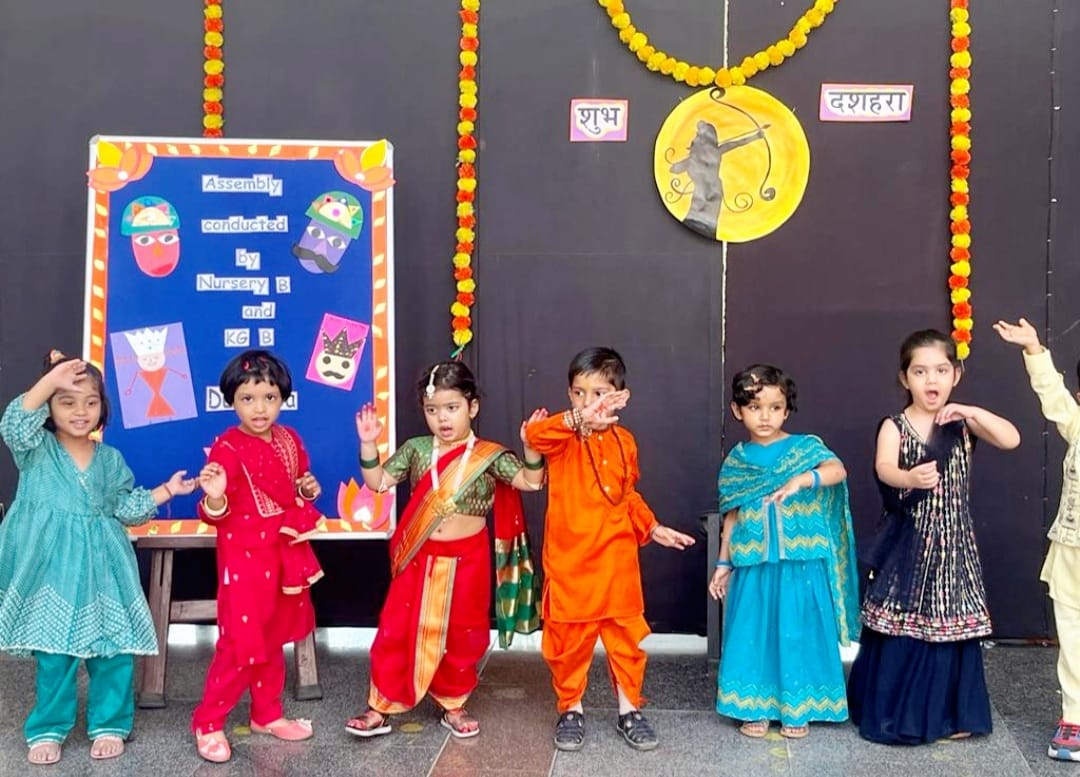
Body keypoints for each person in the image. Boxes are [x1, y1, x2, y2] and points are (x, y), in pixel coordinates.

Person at [0, 350, 196, 765]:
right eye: (67, 401)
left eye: (90, 402)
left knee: (113, 652)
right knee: (54, 654)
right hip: (52, 571)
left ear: (102, 407)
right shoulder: (36, 450)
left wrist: (166, 491)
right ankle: (48, 728)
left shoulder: (110, 460)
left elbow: (126, 509)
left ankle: (110, 723)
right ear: (50, 405)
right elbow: (15, 422)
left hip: (104, 569)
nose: (80, 411)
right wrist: (52, 378)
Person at [346, 361, 544, 740]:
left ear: (472, 407)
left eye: (452, 408)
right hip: (419, 555)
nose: (442, 419)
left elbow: (529, 482)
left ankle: (453, 703)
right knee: (396, 629)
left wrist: (531, 449)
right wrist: (368, 444)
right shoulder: (417, 450)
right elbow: (378, 482)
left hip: (468, 558)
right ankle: (380, 706)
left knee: (463, 632)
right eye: (432, 409)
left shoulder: (489, 455)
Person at [847, 329, 1021, 744]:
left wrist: (972, 412)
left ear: (956, 374)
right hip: (909, 544)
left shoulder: (963, 424)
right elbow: (883, 467)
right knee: (904, 625)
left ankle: (950, 716)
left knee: (949, 624)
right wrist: (908, 476)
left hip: (954, 543)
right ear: (905, 378)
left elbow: (1012, 439)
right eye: (920, 371)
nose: (932, 380)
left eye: (941, 370)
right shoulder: (895, 425)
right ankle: (894, 712)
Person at [525, 347, 696, 753]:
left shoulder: (625, 441)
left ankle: (628, 710)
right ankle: (571, 708)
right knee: (568, 643)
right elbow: (533, 436)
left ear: (620, 395)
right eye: (579, 393)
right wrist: (580, 420)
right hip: (569, 560)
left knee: (626, 640)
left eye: (599, 392)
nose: (589, 402)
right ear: (569, 395)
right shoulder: (561, 436)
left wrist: (652, 527)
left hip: (617, 559)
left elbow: (626, 494)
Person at [708, 364, 859, 739]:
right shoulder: (737, 463)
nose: (765, 416)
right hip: (754, 565)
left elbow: (838, 470)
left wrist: (803, 479)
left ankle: (798, 707)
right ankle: (753, 707)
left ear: (786, 410)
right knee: (752, 634)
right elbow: (732, 517)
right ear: (737, 410)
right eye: (756, 407)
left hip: (801, 564)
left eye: (775, 407)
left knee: (798, 633)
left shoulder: (805, 448)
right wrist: (723, 565)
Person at [191, 350, 325, 763]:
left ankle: (267, 713)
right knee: (242, 641)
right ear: (231, 401)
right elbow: (214, 511)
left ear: (282, 398)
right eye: (248, 399)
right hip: (245, 557)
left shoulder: (290, 439)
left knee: (274, 634)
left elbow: (296, 484)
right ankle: (208, 721)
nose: (260, 408)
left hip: (284, 553)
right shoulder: (227, 448)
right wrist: (213, 498)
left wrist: (308, 490)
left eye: (268, 397)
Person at [995, 317, 1080, 761]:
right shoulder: (1078, 426)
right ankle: (1075, 719)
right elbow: (1054, 396)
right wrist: (1033, 348)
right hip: (1072, 551)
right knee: (1073, 636)